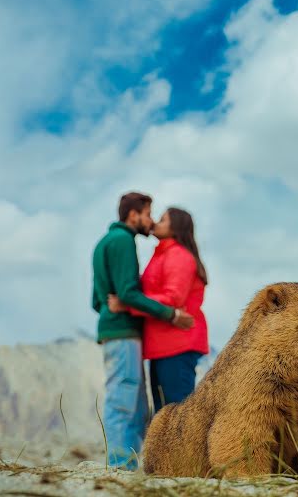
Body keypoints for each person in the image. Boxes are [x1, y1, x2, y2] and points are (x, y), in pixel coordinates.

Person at [91, 192, 194, 470]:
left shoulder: (103, 243)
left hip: (114, 331)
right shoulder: (124, 241)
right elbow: (127, 292)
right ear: (133, 215)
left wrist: (114, 308)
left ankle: (133, 463)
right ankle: (122, 465)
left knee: (133, 403)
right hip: (124, 333)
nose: (150, 221)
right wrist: (170, 314)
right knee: (125, 401)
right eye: (149, 214)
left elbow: (96, 300)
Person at [108, 207, 209, 413]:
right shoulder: (163, 255)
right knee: (164, 414)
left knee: (176, 414)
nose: (155, 222)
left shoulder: (178, 256)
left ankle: (184, 448)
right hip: (163, 344)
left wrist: (128, 303)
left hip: (178, 344)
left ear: (176, 228)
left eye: (163, 220)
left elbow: (173, 298)